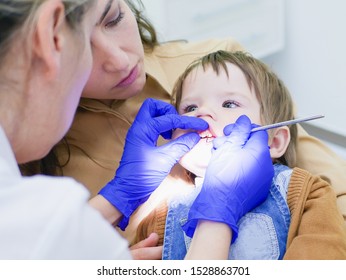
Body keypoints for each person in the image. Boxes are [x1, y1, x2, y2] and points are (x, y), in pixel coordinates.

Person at [19, 0, 346, 251]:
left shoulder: (223, 64)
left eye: (114, 18)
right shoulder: (28, 149)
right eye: (82, 48)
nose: (119, 60)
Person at [134, 50, 346, 260]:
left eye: (229, 104)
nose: (202, 113)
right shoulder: (159, 215)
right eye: (190, 107)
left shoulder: (307, 193)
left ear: (275, 141)